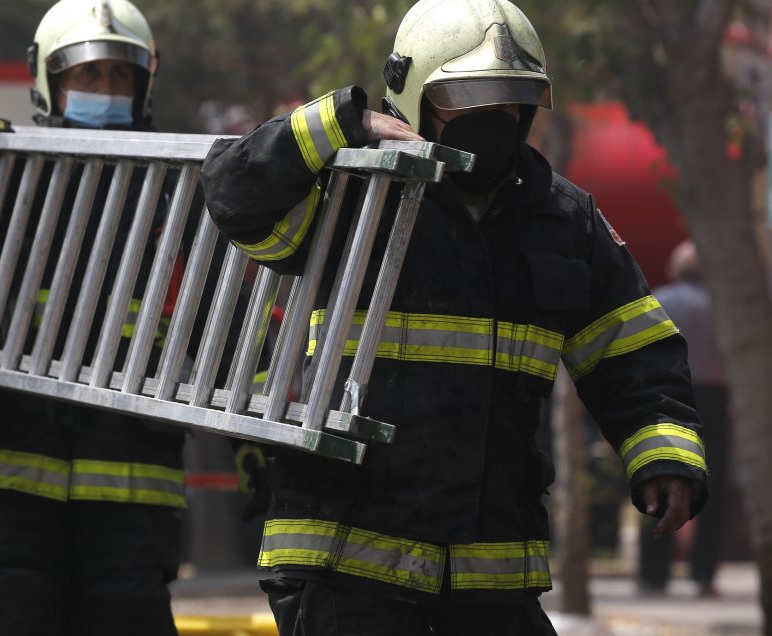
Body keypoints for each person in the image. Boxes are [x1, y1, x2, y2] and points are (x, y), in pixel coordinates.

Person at [199, 1, 709, 634]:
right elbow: (233, 193)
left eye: (510, 99)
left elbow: (632, 348)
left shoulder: (563, 219)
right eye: (466, 98)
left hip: (489, 568)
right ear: (412, 96)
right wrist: (339, 123)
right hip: (343, 557)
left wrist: (663, 454)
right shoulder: (346, 194)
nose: (491, 119)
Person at [0, 1, 187, 634]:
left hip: (130, 480)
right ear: (49, 81)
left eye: (120, 77)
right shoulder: (2, 175)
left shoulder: (175, 190)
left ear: (144, 84)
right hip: (6, 472)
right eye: (87, 77)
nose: (105, 91)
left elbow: (217, 331)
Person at [638, 240, 728, 598]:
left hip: (666, 396)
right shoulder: (718, 307)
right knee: (713, 484)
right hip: (712, 399)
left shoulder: (658, 299)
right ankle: (703, 574)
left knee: (659, 476)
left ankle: (653, 574)